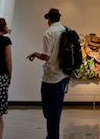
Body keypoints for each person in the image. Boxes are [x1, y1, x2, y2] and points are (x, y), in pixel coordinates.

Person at [26, 8, 69, 139]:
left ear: (49, 19)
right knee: (57, 111)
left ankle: (52, 137)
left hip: (51, 78)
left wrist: (35, 53)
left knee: (49, 112)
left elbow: (45, 56)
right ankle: (52, 136)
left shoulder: (49, 33)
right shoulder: (65, 30)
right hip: (64, 76)